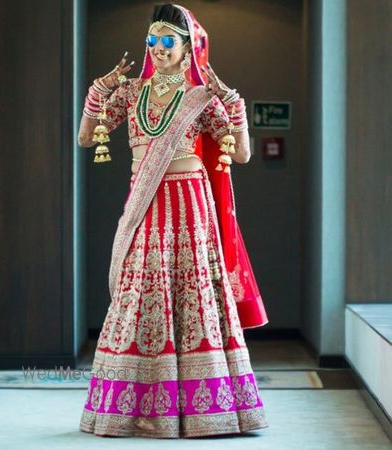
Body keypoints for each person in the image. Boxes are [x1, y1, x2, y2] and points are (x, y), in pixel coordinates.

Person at [77, 2, 269, 438]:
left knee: (192, 294)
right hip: (146, 206)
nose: (158, 48)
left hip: (190, 206)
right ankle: (136, 408)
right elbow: (86, 138)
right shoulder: (131, 93)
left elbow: (240, 153)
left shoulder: (200, 97)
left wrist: (233, 104)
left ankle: (207, 408)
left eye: (168, 40)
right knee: (140, 295)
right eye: (152, 39)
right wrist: (98, 90)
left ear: (188, 47)